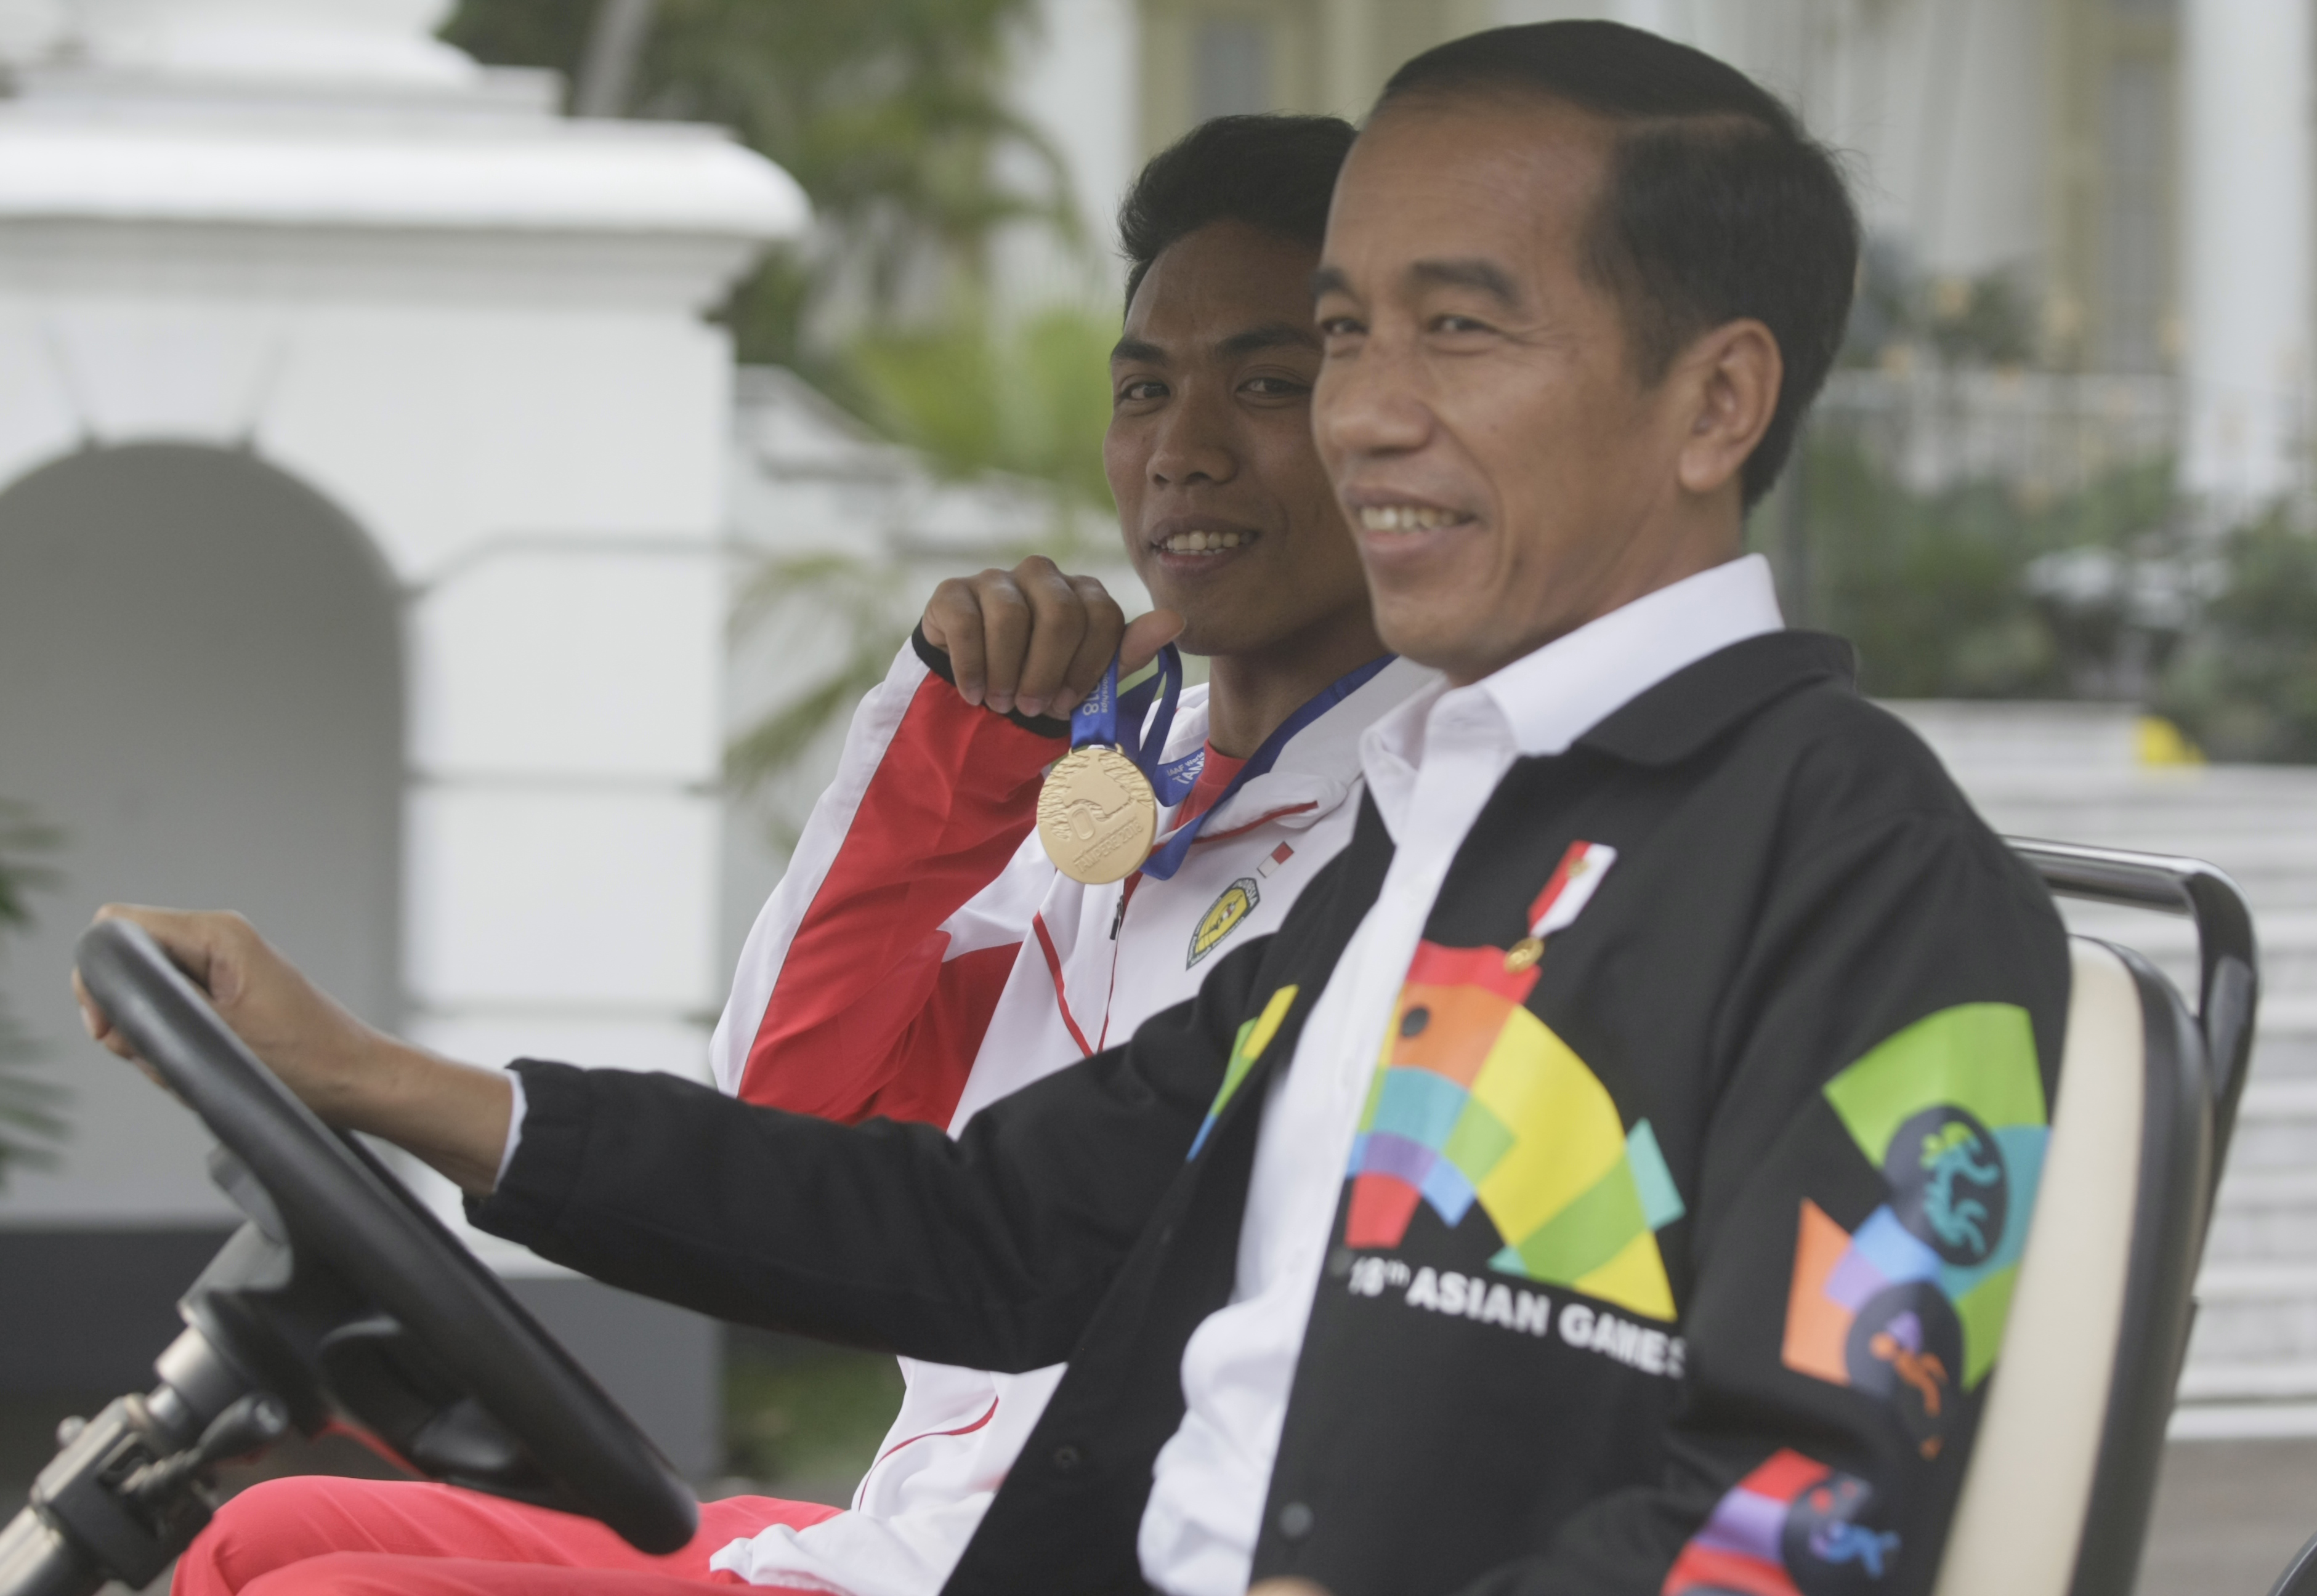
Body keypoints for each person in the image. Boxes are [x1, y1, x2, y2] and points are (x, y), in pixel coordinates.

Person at [84, 23, 2071, 1596]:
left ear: (1717, 403)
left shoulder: (1865, 871)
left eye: (1451, 331)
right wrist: (365, 1074)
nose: (1371, 411)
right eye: (1354, 333)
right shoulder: (1433, 839)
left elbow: (1806, 1523)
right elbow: (980, 1227)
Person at [156, 113, 1435, 1596]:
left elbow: (964, 1236)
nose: (1184, 452)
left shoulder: (1411, 827)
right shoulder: (1119, 785)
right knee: (253, 1529)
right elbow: (795, 1103)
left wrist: (375, 1076)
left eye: (1269, 383)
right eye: (1144, 388)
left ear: (1387, 424)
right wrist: (957, 740)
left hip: (1048, 1557)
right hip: (903, 1524)